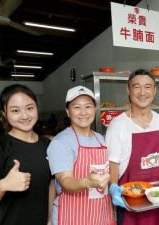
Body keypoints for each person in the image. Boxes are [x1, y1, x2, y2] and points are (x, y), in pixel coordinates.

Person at [106, 69, 159, 225]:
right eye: (137, 86)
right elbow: (112, 164)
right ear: (128, 90)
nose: (142, 92)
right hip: (131, 201)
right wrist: (113, 187)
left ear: (154, 91)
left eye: (148, 87)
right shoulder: (117, 124)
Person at [0, 84, 54, 225]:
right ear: (4, 113)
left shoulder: (47, 145)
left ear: (37, 108)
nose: (25, 116)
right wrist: (3, 185)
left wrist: (49, 218)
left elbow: (51, 185)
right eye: (15, 110)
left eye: (30, 108)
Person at [47, 85, 113, 225]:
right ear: (68, 111)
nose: (83, 112)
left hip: (100, 213)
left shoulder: (99, 139)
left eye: (88, 106)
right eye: (77, 107)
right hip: (72, 215)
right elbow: (65, 181)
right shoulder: (61, 142)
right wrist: (87, 182)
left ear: (94, 109)